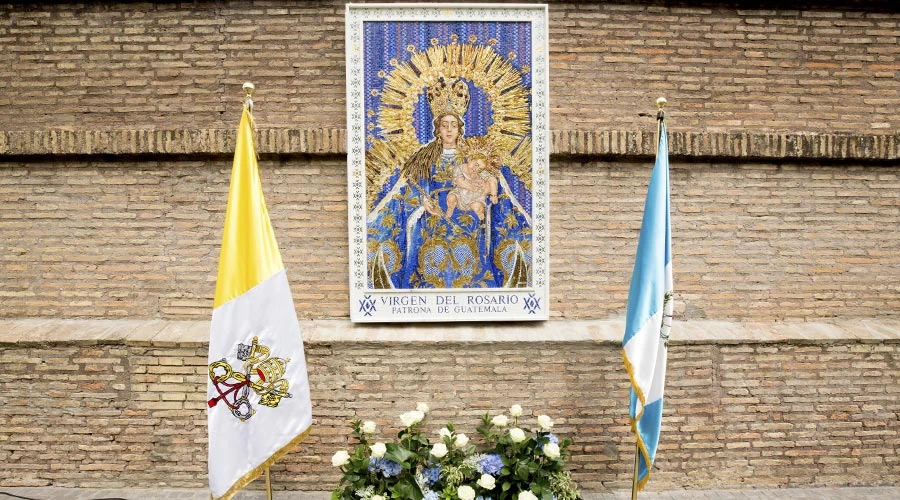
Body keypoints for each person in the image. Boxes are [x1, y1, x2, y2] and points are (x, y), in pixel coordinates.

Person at [366, 76, 531, 289]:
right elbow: (409, 190)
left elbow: (491, 183)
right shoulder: (424, 158)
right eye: (445, 125)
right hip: (433, 220)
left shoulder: (472, 156)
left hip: (469, 219)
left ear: (460, 128)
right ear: (438, 128)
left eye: (454, 125)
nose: (449, 130)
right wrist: (423, 203)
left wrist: (487, 192)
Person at [446, 152, 499, 222]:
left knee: (477, 207)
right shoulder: (459, 168)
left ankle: (480, 214)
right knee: (451, 198)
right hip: (460, 195)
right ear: (469, 159)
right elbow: (460, 182)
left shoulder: (481, 173)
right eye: (476, 165)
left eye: (480, 169)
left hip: (475, 197)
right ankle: (450, 208)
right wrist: (472, 187)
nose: (476, 169)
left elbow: (492, 180)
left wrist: (494, 195)